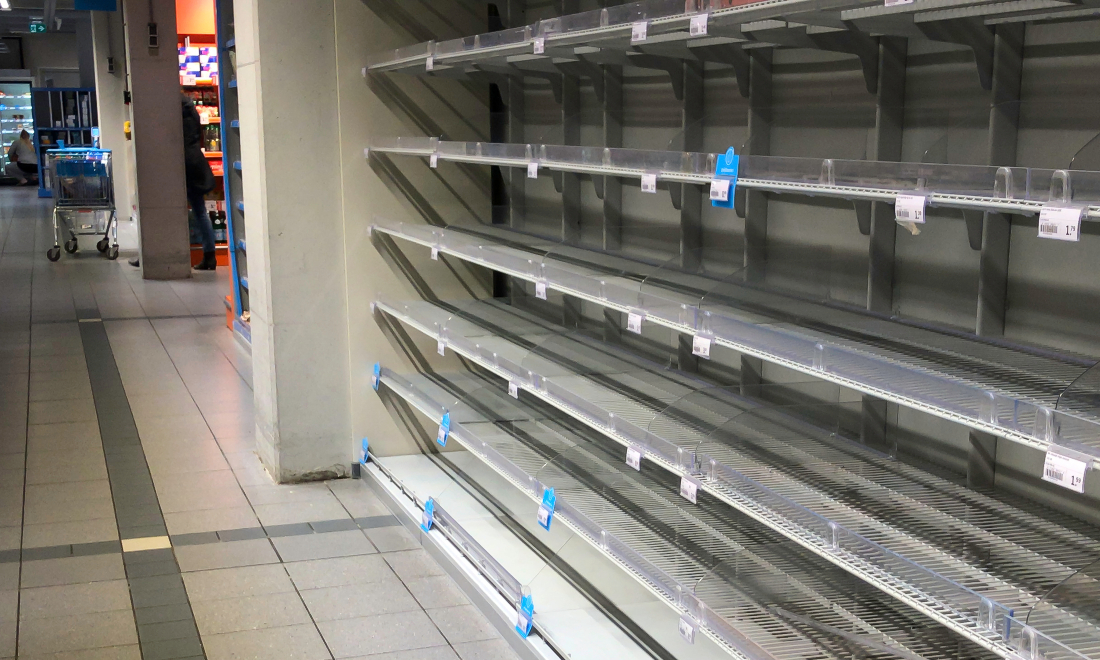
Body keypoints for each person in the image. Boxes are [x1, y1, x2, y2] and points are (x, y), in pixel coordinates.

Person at [182, 93, 218, 270]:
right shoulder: (190, 107)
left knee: (167, 210)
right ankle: (210, 255)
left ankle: (155, 252)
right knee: (200, 211)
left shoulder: (175, 110)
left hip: (184, 163)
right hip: (195, 160)